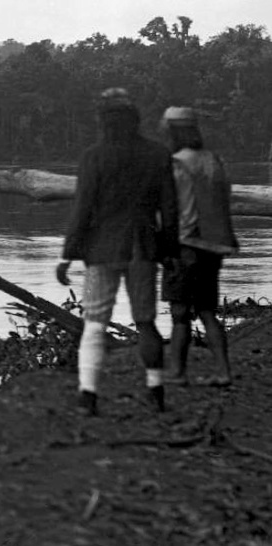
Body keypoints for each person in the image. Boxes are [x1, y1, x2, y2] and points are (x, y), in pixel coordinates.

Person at [56, 88, 178, 416]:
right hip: (143, 247)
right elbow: (169, 210)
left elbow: (82, 208)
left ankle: (88, 395)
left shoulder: (93, 157)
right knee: (146, 322)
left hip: (101, 249)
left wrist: (68, 252)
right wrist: (170, 252)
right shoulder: (157, 155)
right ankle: (155, 390)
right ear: (134, 119)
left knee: (95, 322)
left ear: (103, 121)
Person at [159, 106, 237, 387]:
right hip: (213, 248)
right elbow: (223, 198)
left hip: (185, 245)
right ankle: (223, 371)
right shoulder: (214, 161)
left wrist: (162, 249)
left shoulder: (175, 163)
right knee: (206, 311)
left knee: (180, 314)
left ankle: (177, 372)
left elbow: (168, 210)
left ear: (173, 131)